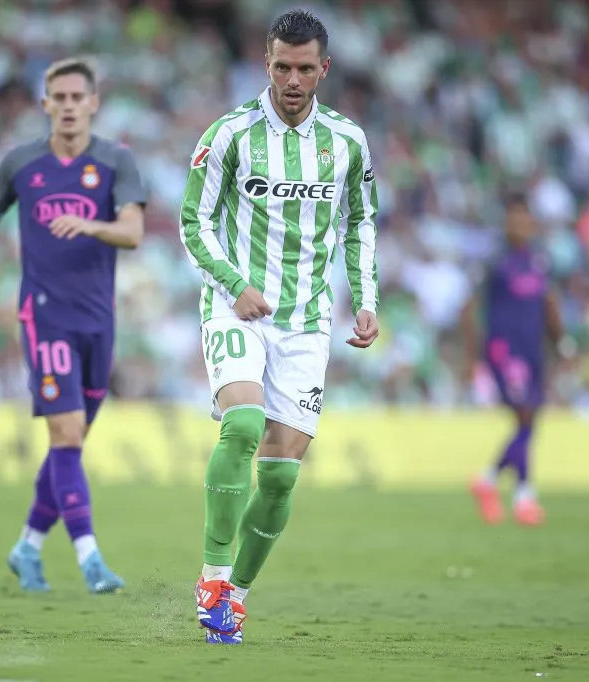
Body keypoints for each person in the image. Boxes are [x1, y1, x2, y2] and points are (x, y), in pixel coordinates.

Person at [179, 9, 380, 645]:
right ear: (266, 65)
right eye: (281, 66)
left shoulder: (348, 142)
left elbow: (360, 222)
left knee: (282, 475)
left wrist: (365, 299)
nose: (292, 79)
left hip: (307, 320)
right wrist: (235, 285)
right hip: (235, 304)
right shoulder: (231, 135)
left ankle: (233, 597)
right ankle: (211, 574)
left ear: (324, 69)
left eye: (304, 68)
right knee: (241, 422)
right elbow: (194, 223)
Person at [0, 57, 147, 593]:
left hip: (98, 322)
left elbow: (133, 231)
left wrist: (91, 223)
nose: (69, 106)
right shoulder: (21, 164)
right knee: (66, 431)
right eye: (60, 97)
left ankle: (27, 548)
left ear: (94, 102)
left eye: (79, 97)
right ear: (46, 104)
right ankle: (90, 560)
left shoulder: (116, 162)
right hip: (44, 315)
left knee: (69, 445)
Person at [461, 193, 566, 526]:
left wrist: (562, 343)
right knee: (524, 414)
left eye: (524, 219)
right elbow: (470, 310)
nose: (519, 225)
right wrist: (471, 356)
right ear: (506, 224)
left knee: (529, 421)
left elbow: (549, 305)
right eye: (514, 219)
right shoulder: (495, 262)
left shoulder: (539, 261)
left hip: (533, 350)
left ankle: (493, 482)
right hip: (504, 351)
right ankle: (522, 496)